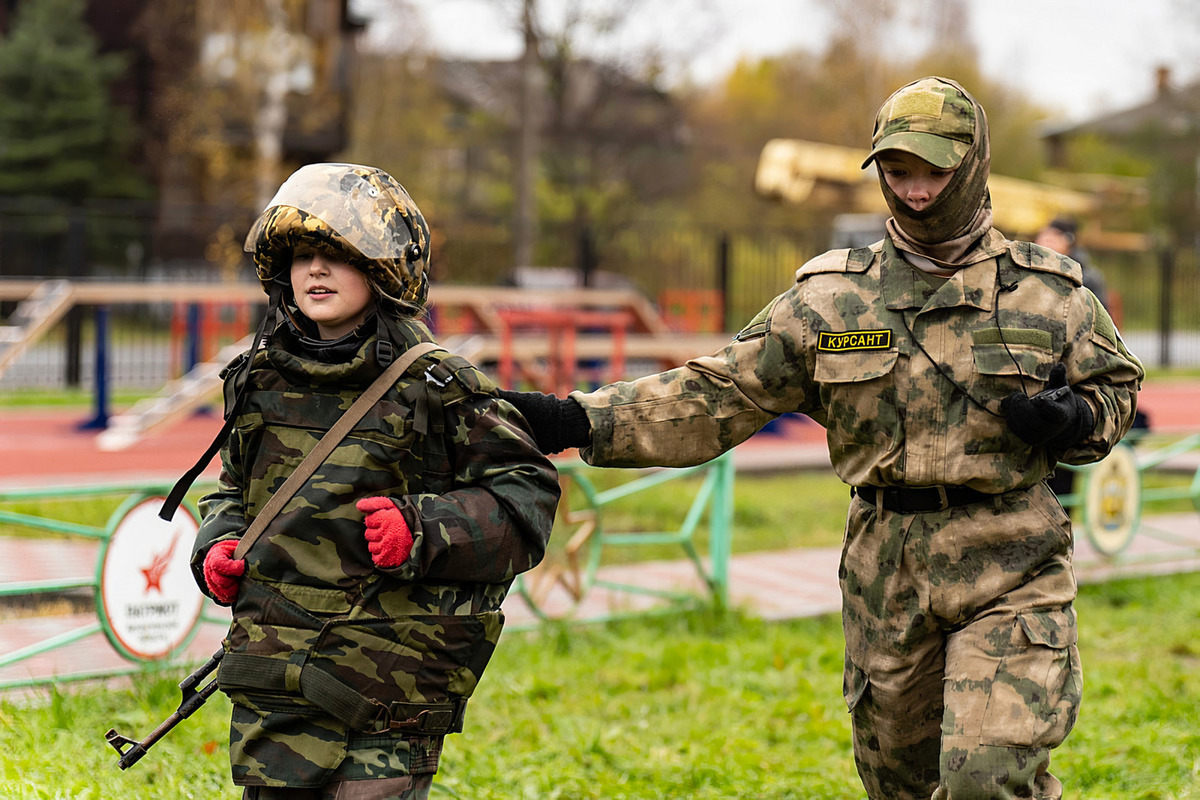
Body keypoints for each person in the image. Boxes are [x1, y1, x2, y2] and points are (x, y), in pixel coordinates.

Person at [500, 77, 1143, 799]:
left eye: (935, 171)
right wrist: (574, 420)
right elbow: (721, 392)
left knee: (983, 779)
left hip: (1010, 558)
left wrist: (1077, 419)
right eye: (899, 171)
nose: (917, 191)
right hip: (885, 571)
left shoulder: (1050, 295)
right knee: (899, 783)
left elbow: (1116, 390)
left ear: (973, 165)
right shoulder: (830, 299)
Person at [187, 163, 560, 799]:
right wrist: (216, 543)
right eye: (302, 254)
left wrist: (422, 528)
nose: (315, 270)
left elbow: (526, 499)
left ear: (385, 269)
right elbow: (234, 491)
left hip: (387, 685)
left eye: (338, 254)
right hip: (275, 684)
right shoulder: (258, 380)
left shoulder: (439, 385)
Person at [1035, 216, 1109, 309]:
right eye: (1042, 238)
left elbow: (1100, 314)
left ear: (1068, 241)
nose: (1043, 244)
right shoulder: (1029, 268)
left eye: (1050, 240)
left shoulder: (1088, 277)